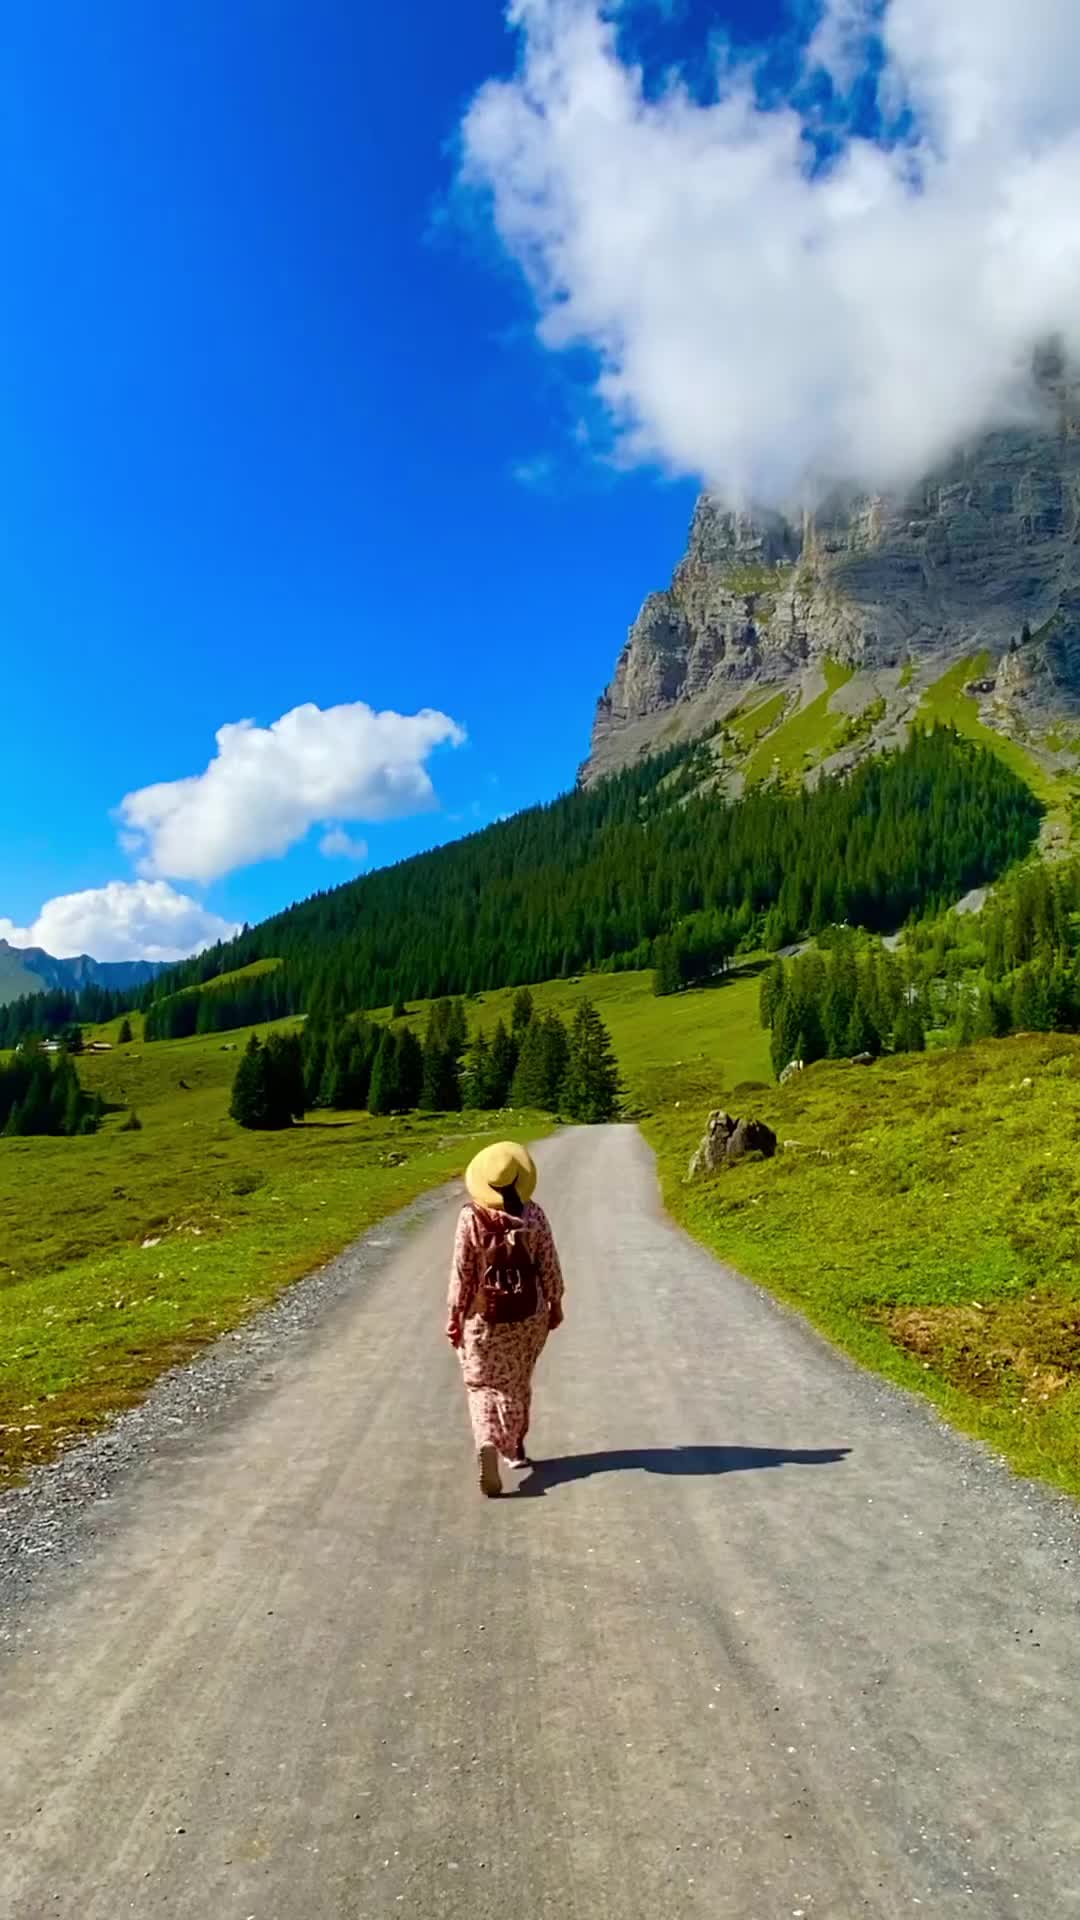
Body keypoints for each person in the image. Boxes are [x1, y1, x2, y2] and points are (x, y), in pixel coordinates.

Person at [446, 1140, 564, 1497]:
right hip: (529, 1314)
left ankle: (487, 1440)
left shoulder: (471, 1217)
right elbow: (549, 1264)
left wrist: (455, 1315)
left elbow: (462, 1273)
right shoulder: (534, 1214)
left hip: (484, 1316)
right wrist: (555, 1303)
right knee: (516, 1381)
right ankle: (513, 1449)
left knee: (481, 1384)